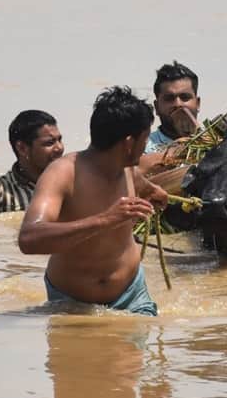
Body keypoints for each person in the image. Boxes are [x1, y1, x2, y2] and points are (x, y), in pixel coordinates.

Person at [19, 86, 168, 316]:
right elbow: (29, 238)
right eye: (145, 139)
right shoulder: (62, 174)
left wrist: (155, 192)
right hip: (70, 303)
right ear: (129, 143)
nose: (144, 147)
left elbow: (143, 186)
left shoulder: (128, 168)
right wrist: (105, 219)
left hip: (132, 295)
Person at [146, 61, 200, 154]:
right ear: (157, 107)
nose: (178, 104)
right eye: (169, 98)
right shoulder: (142, 150)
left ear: (198, 104)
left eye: (185, 97)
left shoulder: (220, 145)